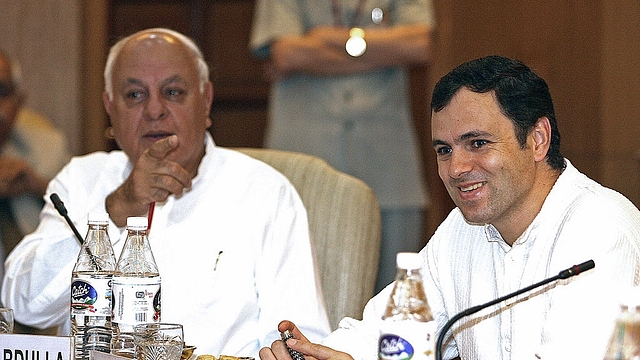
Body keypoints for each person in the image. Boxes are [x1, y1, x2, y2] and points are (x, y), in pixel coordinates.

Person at [257, 55, 640, 360]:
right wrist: (320, 355)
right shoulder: (462, 229)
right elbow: (393, 332)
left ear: (538, 139)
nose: (456, 169)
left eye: (477, 143)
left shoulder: (601, 230)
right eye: (444, 150)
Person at [1, 28, 331, 356]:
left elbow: (299, 339)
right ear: (110, 109)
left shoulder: (264, 193)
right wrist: (118, 206)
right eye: (134, 95)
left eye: (173, 92)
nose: (155, 110)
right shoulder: (81, 180)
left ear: (206, 101)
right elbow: (25, 306)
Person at [250, 0, 435, 292]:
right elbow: (287, 54)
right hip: (303, 157)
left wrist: (324, 42)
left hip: (389, 165)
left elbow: (419, 45)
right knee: (301, 295)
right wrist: (380, 49)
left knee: (396, 298)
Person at [0, 50, 71, 292]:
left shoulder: (47, 147)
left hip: (37, 303)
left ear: (19, 102)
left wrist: (37, 185)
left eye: (2, 92)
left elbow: (89, 216)